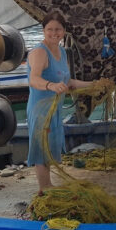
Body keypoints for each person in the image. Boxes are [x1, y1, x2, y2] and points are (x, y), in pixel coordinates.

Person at [27, 11, 95, 191]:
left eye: (58, 29)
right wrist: (50, 85)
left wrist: (94, 84)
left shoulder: (62, 51)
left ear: (64, 31)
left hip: (55, 109)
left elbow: (68, 82)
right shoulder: (40, 52)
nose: (54, 33)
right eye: (49, 29)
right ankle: (44, 188)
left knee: (51, 148)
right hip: (41, 110)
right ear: (43, 30)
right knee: (42, 151)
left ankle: (48, 185)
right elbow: (33, 79)